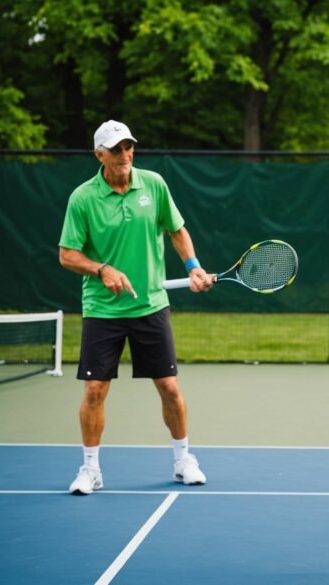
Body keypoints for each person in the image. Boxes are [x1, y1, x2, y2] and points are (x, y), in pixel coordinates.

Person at [58, 120, 214, 495]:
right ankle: (91, 469)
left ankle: (183, 460)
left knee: (169, 386)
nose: (125, 154)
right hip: (103, 310)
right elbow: (67, 255)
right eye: (116, 149)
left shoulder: (154, 185)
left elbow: (176, 230)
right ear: (100, 155)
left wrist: (193, 267)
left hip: (150, 306)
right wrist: (101, 269)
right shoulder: (82, 198)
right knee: (95, 389)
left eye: (129, 147)